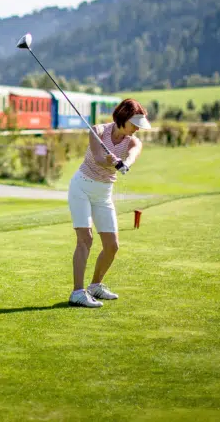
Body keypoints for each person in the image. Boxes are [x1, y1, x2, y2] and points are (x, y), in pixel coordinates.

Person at [67, 98, 151, 308]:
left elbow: (132, 155)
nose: (137, 130)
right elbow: (96, 157)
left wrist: (123, 163)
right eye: (135, 124)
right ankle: (77, 292)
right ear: (123, 118)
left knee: (112, 246)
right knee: (85, 239)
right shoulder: (98, 130)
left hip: (103, 194)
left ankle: (95, 285)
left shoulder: (133, 140)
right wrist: (109, 160)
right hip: (81, 187)